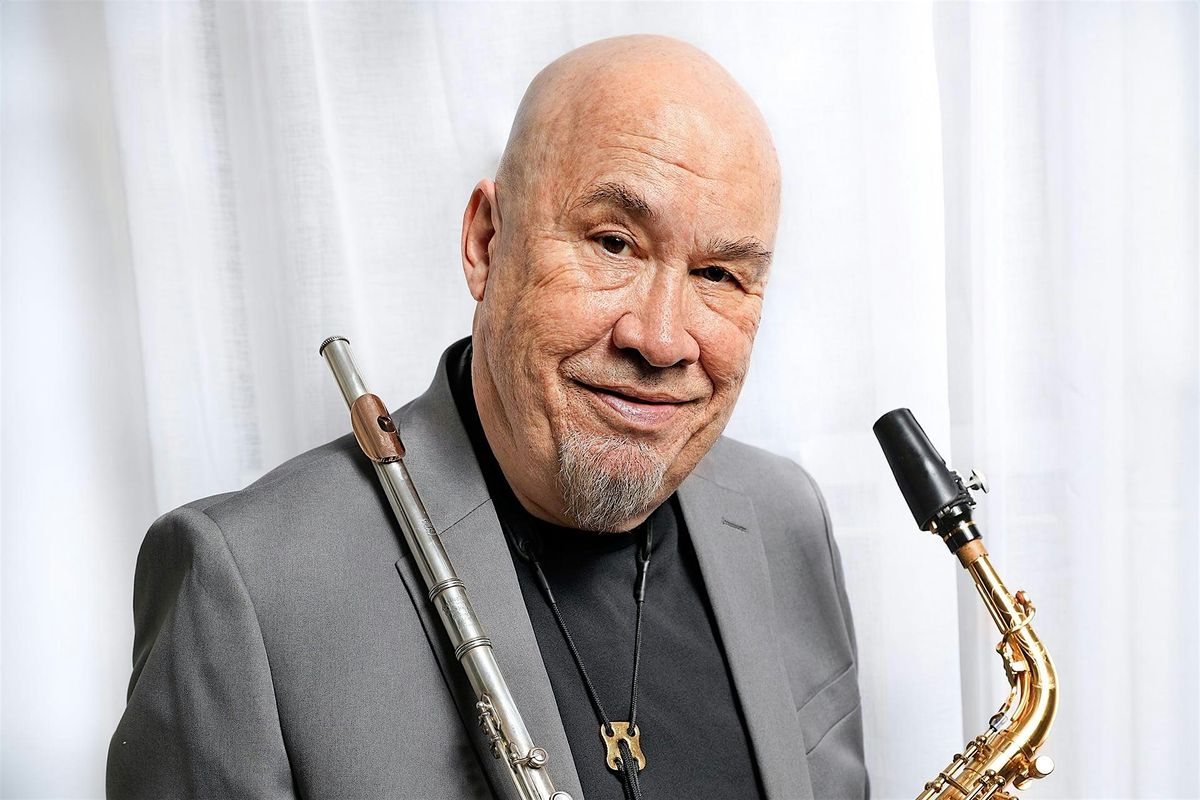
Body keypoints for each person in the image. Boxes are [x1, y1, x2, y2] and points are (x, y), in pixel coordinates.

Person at [108, 35, 868, 800]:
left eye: (719, 274)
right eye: (613, 243)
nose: (662, 339)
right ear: (485, 241)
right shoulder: (250, 586)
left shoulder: (785, 518)